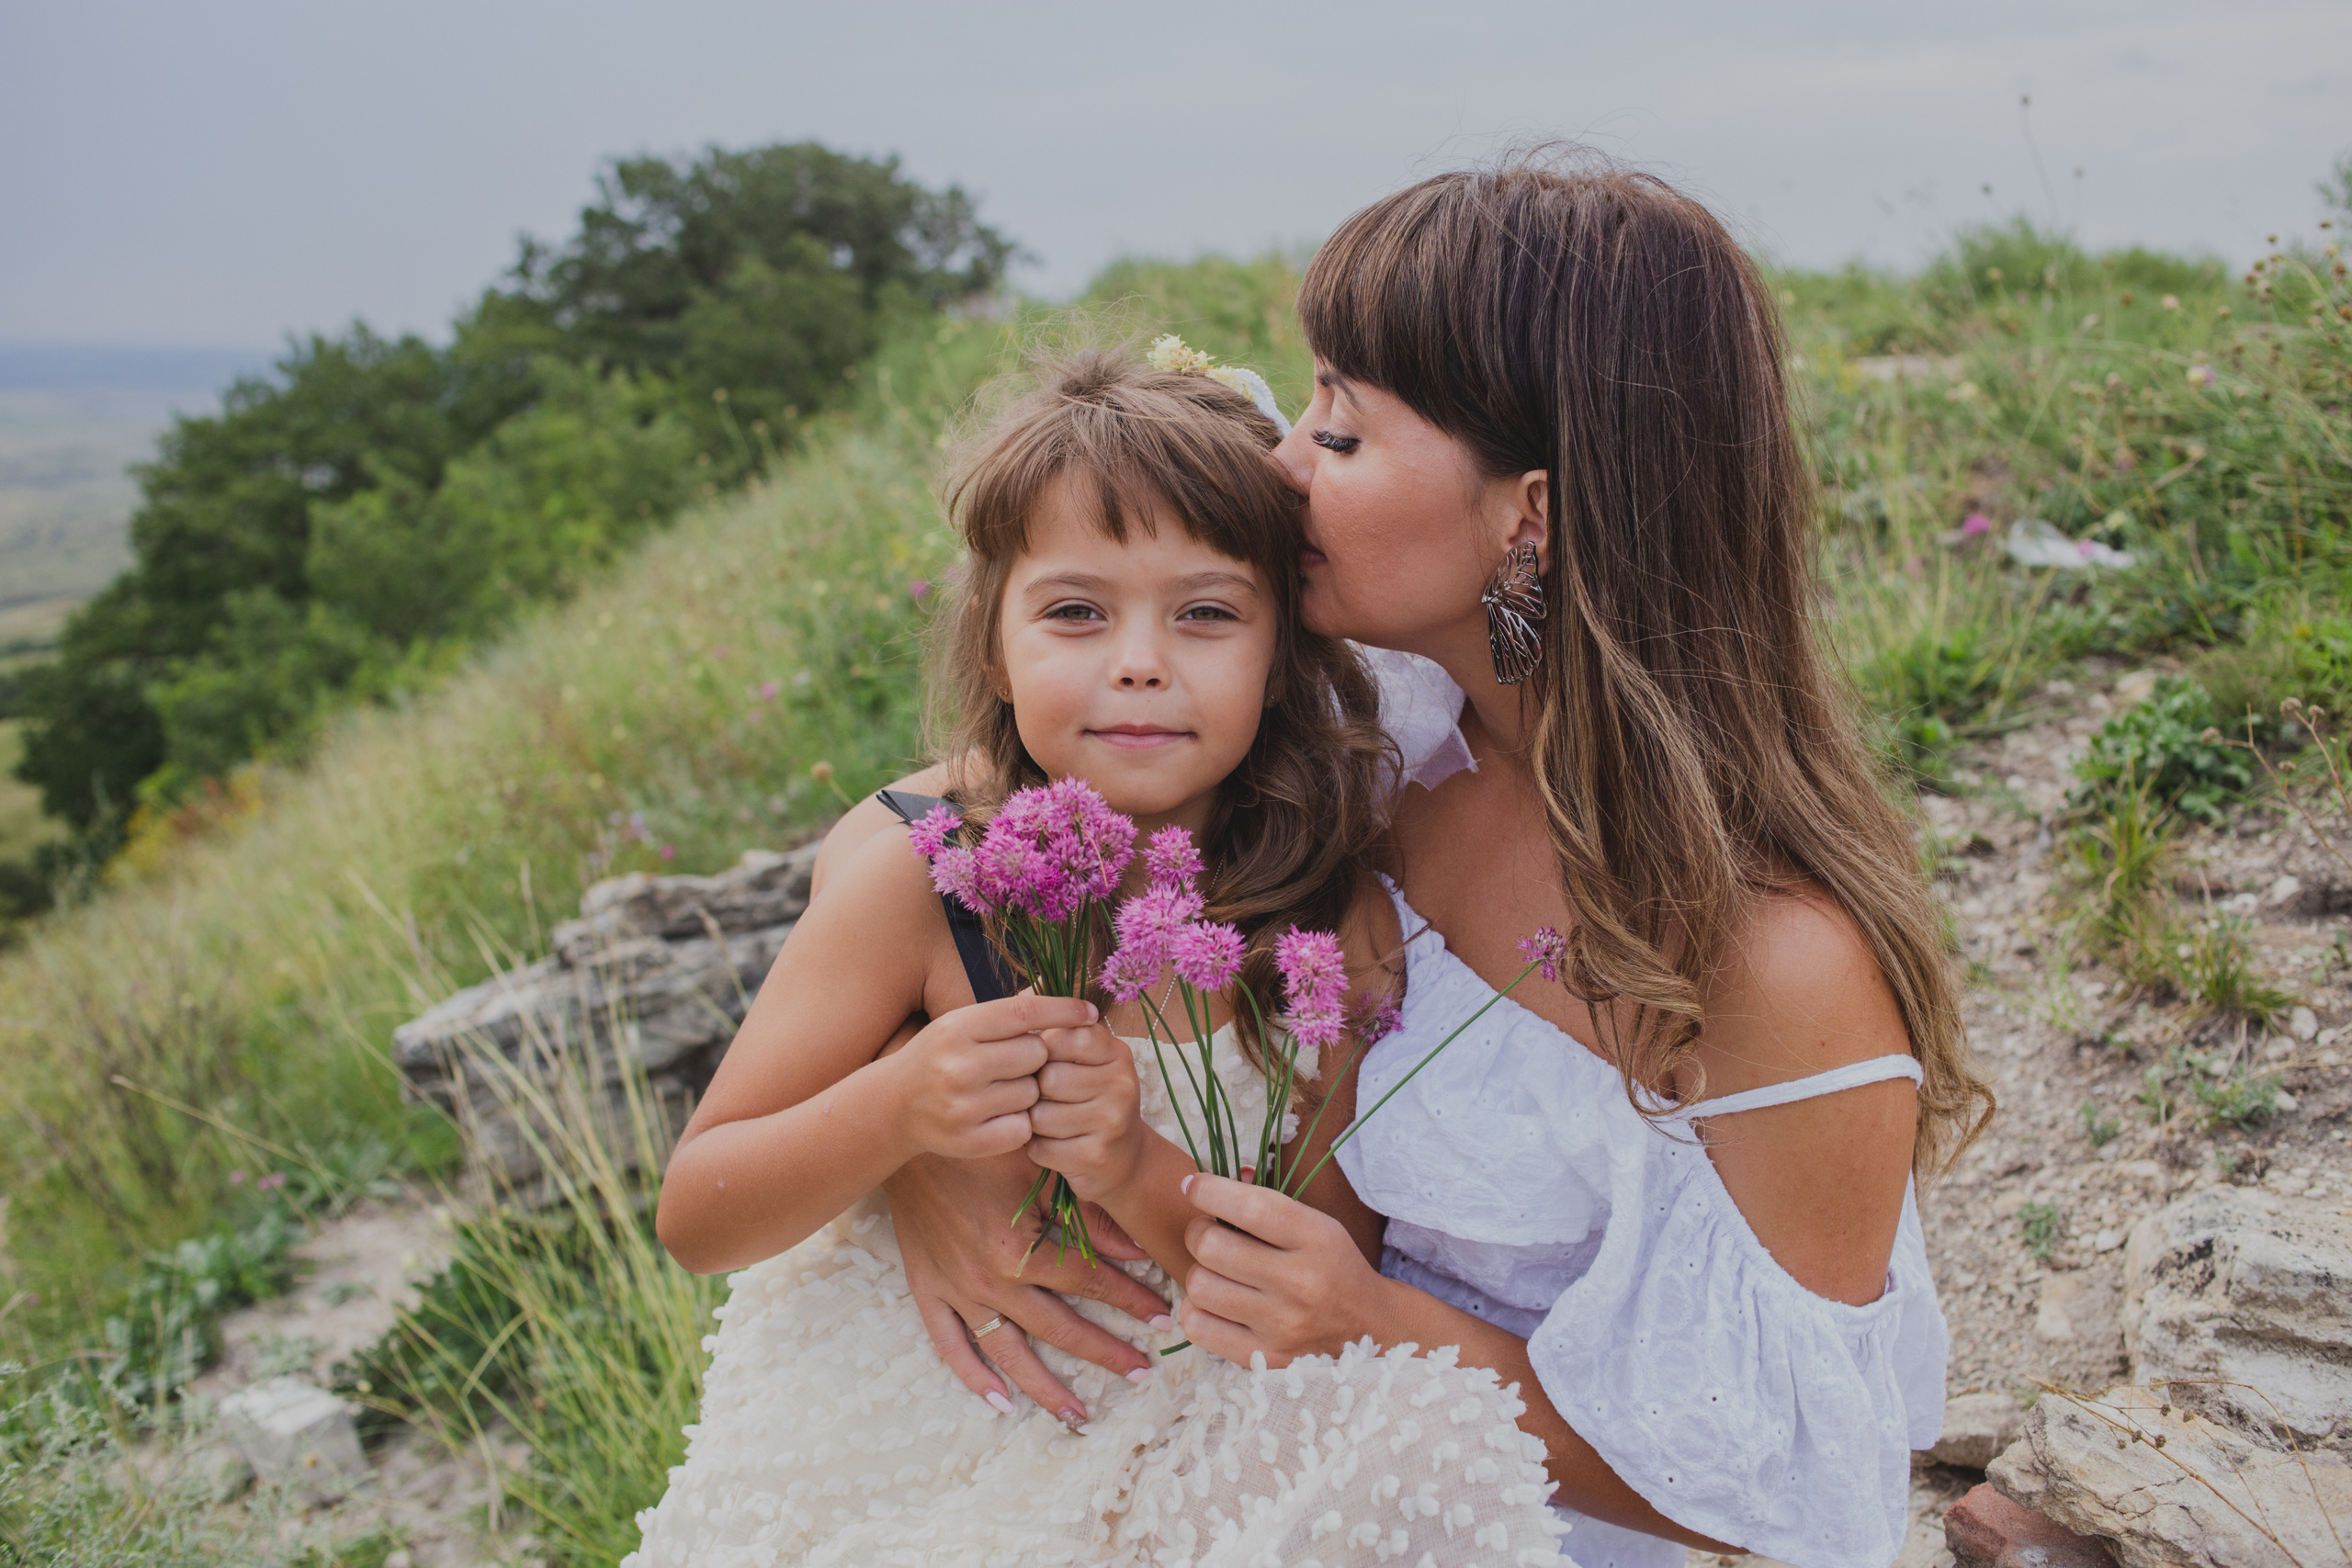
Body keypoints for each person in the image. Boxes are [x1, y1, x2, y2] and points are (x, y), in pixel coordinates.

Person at [825, 152, 1995, 1568]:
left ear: (1531, 516)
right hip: (1281, 1465)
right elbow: (995, 821)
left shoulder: (1774, 966)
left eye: (1344, 429)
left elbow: (1801, 1502)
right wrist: (924, 1170)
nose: (1279, 459)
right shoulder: (1389, 745)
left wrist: (1384, 1331)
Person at [628, 348, 1573, 1566]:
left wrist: (1129, 1161)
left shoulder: (1325, 922)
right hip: (895, 1447)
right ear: (996, 641)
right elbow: (702, 1213)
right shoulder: (920, 886)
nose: (1139, 661)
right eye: (1076, 611)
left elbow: (1314, 1275)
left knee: (1425, 1458)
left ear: (1284, 652)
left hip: (1167, 1438)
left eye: (1207, 614)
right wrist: (902, 1108)